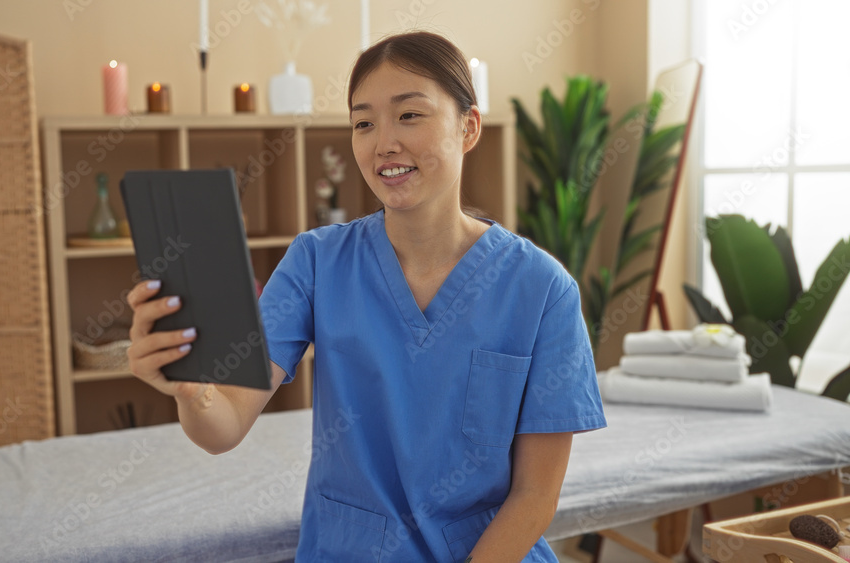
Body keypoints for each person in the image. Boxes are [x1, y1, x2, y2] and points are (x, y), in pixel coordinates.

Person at [127, 31, 606, 562]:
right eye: (363, 122)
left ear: (468, 127)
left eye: (409, 115)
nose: (383, 143)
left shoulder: (542, 290)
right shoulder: (316, 263)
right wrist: (193, 392)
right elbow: (224, 428)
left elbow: (535, 497)